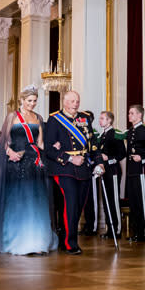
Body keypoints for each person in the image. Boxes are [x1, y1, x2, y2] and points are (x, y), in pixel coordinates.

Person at [0, 86, 57, 255]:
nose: (32, 104)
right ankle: (16, 241)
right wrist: (10, 152)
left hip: (34, 163)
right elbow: (4, 142)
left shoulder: (38, 118)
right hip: (16, 162)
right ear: (22, 100)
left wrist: (55, 147)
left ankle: (37, 241)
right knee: (17, 201)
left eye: (35, 101)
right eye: (29, 101)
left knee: (35, 202)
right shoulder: (12, 117)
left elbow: (40, 143)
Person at [44, 91, 103, 255]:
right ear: (64, 102)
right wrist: (69, 158)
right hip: (63, 168)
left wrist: (99, 162)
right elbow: (48, 148)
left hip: (83, 167)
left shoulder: (84, 118)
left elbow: (92, 143)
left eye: (77, 101)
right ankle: (71, 243)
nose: (75, 104)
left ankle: (64, 238)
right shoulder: (55, 119)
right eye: (72, 101)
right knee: (70, 203)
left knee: (78, 205)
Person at [125, 105, 145, 242]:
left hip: (141, 170)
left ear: (139, 115)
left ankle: (144, 233)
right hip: (131, 170)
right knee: (133, 202)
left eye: (132, 113)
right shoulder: (130, 132)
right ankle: (136, 231)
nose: (129, 116)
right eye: (129, 113)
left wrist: (143, 158)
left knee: (142, 201)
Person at [97, 111, 126, 239]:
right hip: (104, 172)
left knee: (114, 200)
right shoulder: (102, 136)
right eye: (100, 118)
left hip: (113, 171)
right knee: (106, 201)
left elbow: (122, 154)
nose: (100, 120)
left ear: (109, 121)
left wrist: (108, 158)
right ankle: (110, 229)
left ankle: (117, 229)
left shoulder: (115, 134)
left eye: (103, 118)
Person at [80, 110, 101, 237]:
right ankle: (86, 224)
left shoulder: (95, 134)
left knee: (92, 200)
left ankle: (92, 226)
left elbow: (95, 150)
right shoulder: (80, 133)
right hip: (82, 168)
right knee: (84, 199)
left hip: (92, 169)